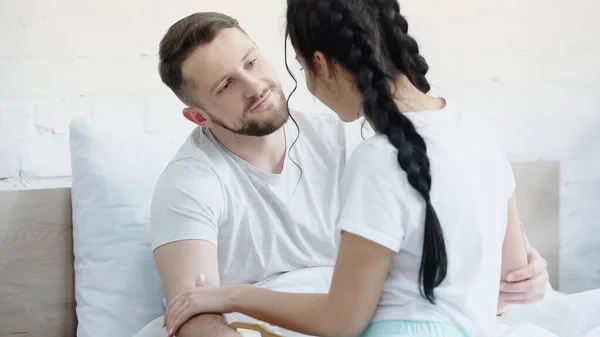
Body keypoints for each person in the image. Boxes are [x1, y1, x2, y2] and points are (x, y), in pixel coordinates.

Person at [150, 6, 549, 337]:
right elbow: (194, 316)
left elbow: (449, 250)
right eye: (226, 86)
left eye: (252, 61)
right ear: (198, 115)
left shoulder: (350, 142)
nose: (255, 86)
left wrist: (520, 272)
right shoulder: (190, 184)